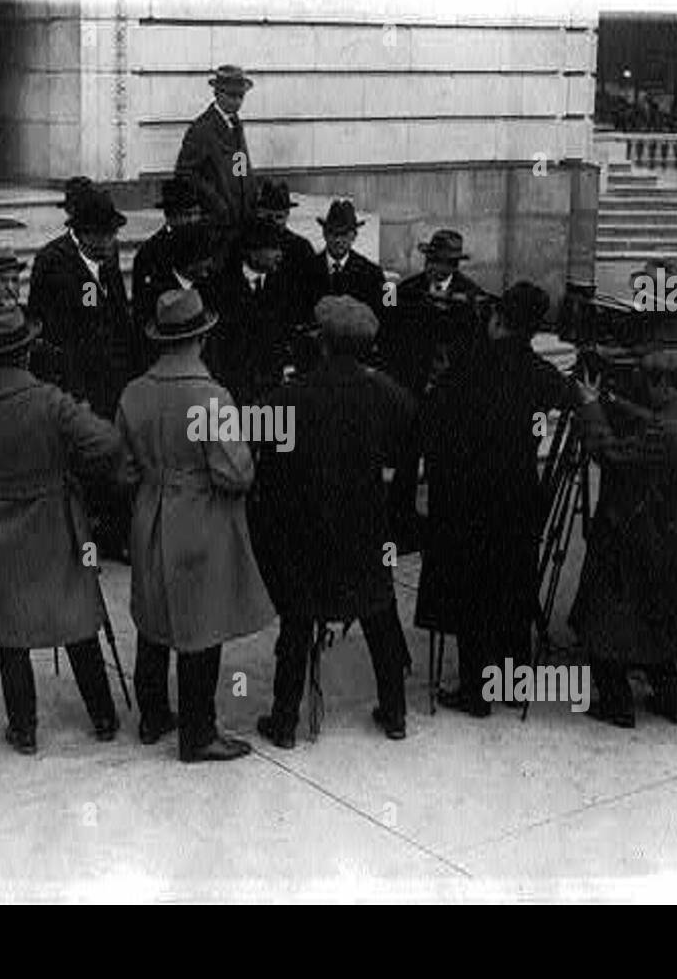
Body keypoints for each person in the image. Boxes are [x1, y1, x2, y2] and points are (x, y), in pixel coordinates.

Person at [0, 306, 122, 754]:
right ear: (26, 353)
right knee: (77, 615)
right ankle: (103, 717)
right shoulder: (50, 401)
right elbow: (107, 442)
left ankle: (23, 730)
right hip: (53, 522)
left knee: (11, 632)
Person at [117, 288, 275, 762]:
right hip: (200, 519)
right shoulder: (211, 399)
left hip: (151, 512)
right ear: (201, 339)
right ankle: (198, 733)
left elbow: (123, 467)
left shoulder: (134, 392)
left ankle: (152, 716)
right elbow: (235, 472)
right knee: (200, 625)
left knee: (153, 615)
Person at [250, 296, 414, 746]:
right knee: (379, 613)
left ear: (322, 342)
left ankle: (285, 722)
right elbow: (410, 434)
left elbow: (247, 434)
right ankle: (395, 713)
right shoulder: (387, 392)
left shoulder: (291, 396)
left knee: (298, 621)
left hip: (307, 531)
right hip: (366, 529)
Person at [417, 283, 578, 716]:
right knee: (513, 587)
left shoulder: (469, 365)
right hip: (518, 499)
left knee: (472, 592)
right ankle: (512, 682)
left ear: (498, 320)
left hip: (468, 500)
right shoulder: (537, 371)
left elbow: (431, 420)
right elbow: (570, 398)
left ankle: (475, 691)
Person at [570, 349, 677, 728]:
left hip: (639, 533)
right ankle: (672, 697)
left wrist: (590, 407)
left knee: (606, 617)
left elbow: (611, 453)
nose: (647, 393)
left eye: (651, 385)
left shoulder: (664, 433)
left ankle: (616, 701)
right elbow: (659, 422)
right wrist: (615, 402)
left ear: (666, 385)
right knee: (660, 619)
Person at [28, 185, 138, 559]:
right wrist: (76, 395)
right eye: (102, 235)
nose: (109, 242)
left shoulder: (107, 258)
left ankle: (111, 534)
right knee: (82, 466)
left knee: (114, 461)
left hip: (112, 381)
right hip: (76, 386)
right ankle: (80, 539)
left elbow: (119, 317)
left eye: (113, 234)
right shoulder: (53, 264)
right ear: (82, 232)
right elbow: (53, 338)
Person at [381, 229, 488, 547]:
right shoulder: (407, 291)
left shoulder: (471, 297)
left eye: (440, 262)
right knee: (405, 460)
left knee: (443, 464)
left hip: (447, 397)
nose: (432, 266)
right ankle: (400, 522)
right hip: (410, 391)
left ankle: (442, 527)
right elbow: (391, 338)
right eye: (430, 259)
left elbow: (474, 350)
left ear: (453, 266)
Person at [205, 219, 308, 404]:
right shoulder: (221, 287)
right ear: (252, 252)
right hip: (232, 391)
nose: (280, 255)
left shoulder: (283, 285)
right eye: (273, 249)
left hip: (272, 390)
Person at [174, 65, 257, 238]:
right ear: (217, 94)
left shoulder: (236, 125)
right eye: (231, 95)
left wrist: (248, 197)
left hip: (237, 220)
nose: (237, 101)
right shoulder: (202, 129)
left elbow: (240, 165)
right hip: (213, 224)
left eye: (240, 96)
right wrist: (215, 200)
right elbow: (185, 173)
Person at [133, 177, 206, 333]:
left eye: (196, 214)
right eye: (187, 215)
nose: (193, 220)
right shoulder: (149, 254)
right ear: (170, 216)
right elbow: (143, 311)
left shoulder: (206, 244)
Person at [302, 199, 386, 320]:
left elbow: (391, 310)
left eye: (344, 234)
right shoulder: (305, 270)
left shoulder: (374, 273)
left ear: (354, 235)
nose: (338, 240)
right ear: (324, 233)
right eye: (333, 233)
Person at [255, 179, 315, 271]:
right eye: (268, 217)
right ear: (259, 213)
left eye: (278, 217)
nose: (273, 223)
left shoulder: (301, 249)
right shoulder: (245, 247)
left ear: (287, 215)